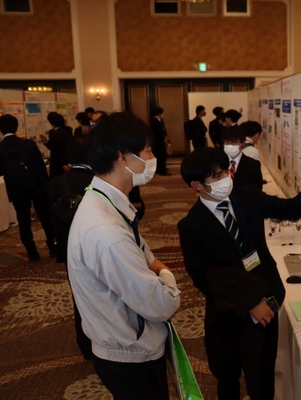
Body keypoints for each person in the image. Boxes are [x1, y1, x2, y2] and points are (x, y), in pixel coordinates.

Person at [178, 147, 301, 400]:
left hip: (267, 303)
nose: (225, 179)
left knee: (262, 379)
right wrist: (250, 303)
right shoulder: (191, 225)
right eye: (216, 177)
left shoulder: (247, 197)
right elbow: (204, 278)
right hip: (228, 313)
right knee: (227, 376)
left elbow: (291, 209)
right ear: (197, 185)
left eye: (226, 172)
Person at [67, 112, 180, 399]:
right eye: (148, 151)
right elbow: (161, 304)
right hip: (130, 357)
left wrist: (155, 267)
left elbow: (145, 255)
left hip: (129, 343)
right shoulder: (106, 231)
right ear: (123, 157)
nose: (152, 158)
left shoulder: (105, 199)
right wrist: (167, 274)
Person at [47, 136, 94, 359]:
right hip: (97, 243)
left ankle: (85, 343)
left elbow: (50, 216)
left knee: (79, 294)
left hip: (69, 247)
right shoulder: (101, 180)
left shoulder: (57, 182)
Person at [0, 114, 56, 261]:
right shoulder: (28, 144)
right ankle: (52, 246)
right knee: (45, 217)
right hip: (37, 185)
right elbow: (40, 166)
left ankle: (32, 253)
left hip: (16, 188)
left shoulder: (1, 148)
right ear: (16, 127)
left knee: (23, 220)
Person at [223, 125, 263, 191]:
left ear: (243, 143)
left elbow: (256, 192)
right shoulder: (217, 162)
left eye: (234, 142)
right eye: (227, 142)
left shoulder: (253, 165)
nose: (230, 146)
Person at [40, 112, 73, 178]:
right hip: (68, 163)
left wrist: (63, 165)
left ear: (52, 124)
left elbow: (54, 150)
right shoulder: (68, 131)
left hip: (57, 166)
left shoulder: (53, 134)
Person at [150, 106, 170, 176]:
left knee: (162, 155)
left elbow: (164, 130)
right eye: (162, 113)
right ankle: (162, 170)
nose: (162, 115)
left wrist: (166, 137)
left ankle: (160, 168)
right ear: (159, 113)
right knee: (161, 156)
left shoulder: (160, 120)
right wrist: (163, 138)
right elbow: (157, 132)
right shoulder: (155, 121)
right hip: (158, 142)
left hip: (161, 141)